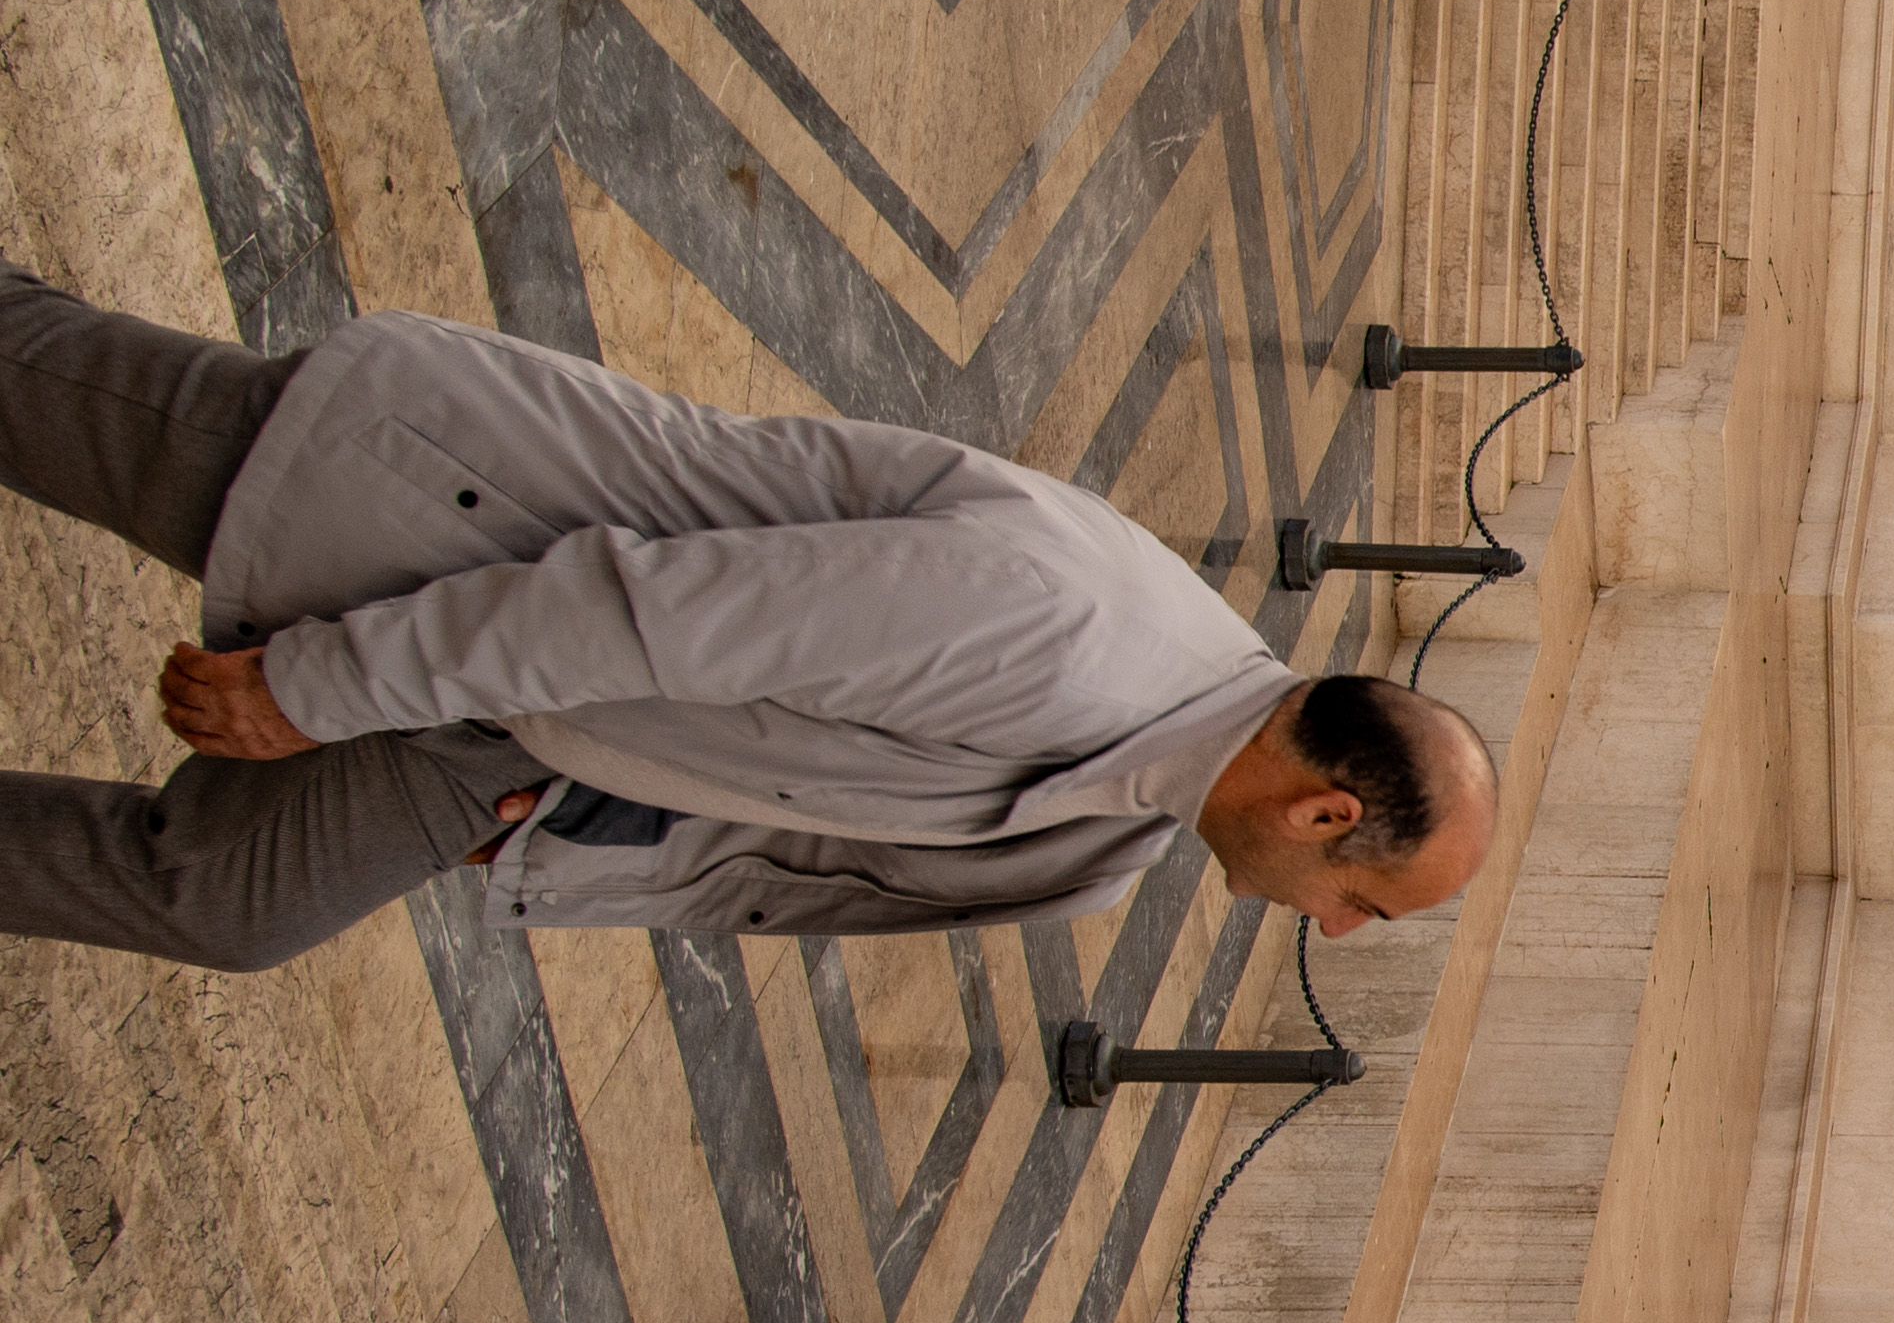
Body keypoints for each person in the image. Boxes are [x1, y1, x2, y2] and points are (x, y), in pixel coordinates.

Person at [0, 269, 1493, 970]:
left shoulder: (1104, 846)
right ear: (1322, 813)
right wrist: (320, 689)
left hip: (509, 715)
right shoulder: (1060, 624)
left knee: (228, 900)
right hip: (453, 506)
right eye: (1372, 901)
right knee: (32, 380)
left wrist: (546, 824)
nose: (1348, 933)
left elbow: (771, 835)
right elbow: (655, 612)